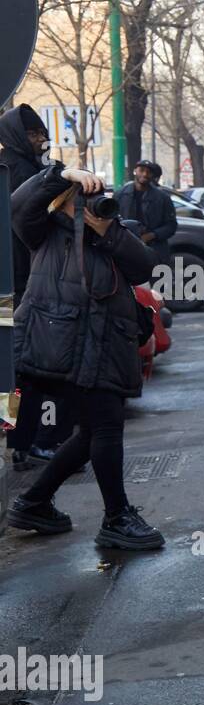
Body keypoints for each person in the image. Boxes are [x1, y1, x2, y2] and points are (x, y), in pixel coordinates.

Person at [5, 161, 166, 550]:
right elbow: (17, 203)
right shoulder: (41, 232)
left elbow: (144, 267)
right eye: (78, 199)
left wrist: (108, 233)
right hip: (60, 347)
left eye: (92, 199)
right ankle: (116, 517)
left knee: (93, 431)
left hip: (102, 347)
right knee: (106, 427)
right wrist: (64, 175)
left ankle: (34, 502)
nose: (86, 206)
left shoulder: (111, 232)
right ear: (61, 201)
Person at [1, 104, 73, 469]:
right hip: (20, 287)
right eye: (33, 134)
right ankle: (25, 442)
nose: (41, 139)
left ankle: (18, 441)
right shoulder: (19, 172)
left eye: (42, 133)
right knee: (27, 370)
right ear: (18, 135)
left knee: (15, 371)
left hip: (18, 285)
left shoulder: (24, 168)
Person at [114, 158, 176, 266]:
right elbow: (112, 221)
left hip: (154, 250)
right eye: (141, 170)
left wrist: (152, 235)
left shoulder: (162, 198)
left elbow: (171, 225)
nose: (145, 174)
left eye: (149, 172)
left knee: (157, 281)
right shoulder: (120, 195)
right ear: (135, 171)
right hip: (126, 249)